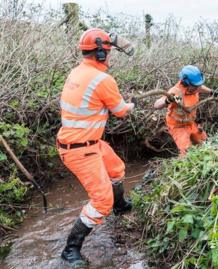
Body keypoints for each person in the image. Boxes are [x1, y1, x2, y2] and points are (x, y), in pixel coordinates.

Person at [56, 28, 136, 267]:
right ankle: (70, 250)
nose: (110, 57)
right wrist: (132, 104)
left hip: (88, 142)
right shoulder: (103, 80)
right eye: (109, 52)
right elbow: (121, 111)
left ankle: (120, 206)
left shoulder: (78, 71)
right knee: (101, 201)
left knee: (116, 169)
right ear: (101, 54)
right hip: (80, 149)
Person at [154, 65, 218, 156]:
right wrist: (167, 100)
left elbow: (201, 88)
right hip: (177, 126)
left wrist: (212, 92)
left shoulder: (195, 87)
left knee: (205, 143)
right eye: (195, 86)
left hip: (190, 122)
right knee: (187, 152)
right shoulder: (176, 91)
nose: (198, 88)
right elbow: (156, 105)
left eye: (198, 85)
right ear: (186, 83)